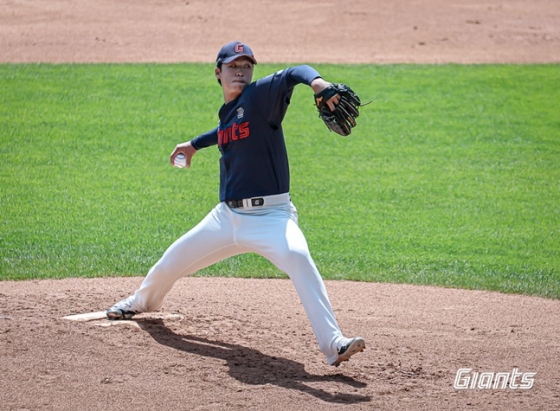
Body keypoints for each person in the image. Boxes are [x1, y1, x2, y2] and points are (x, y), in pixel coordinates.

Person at [106, 41, 365, 367]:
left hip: (272, 217)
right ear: (218, 73)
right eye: (233, 66)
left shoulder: (259, 97)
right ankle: (142, 302)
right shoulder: (231, 111)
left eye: (246, 66)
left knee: (298, 257)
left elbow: (293, 73)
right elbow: (227, 130)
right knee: (171, 260)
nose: (240, 72)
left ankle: (334, 343)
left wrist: (318, 84)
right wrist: (194, 144)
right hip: (226, 218)